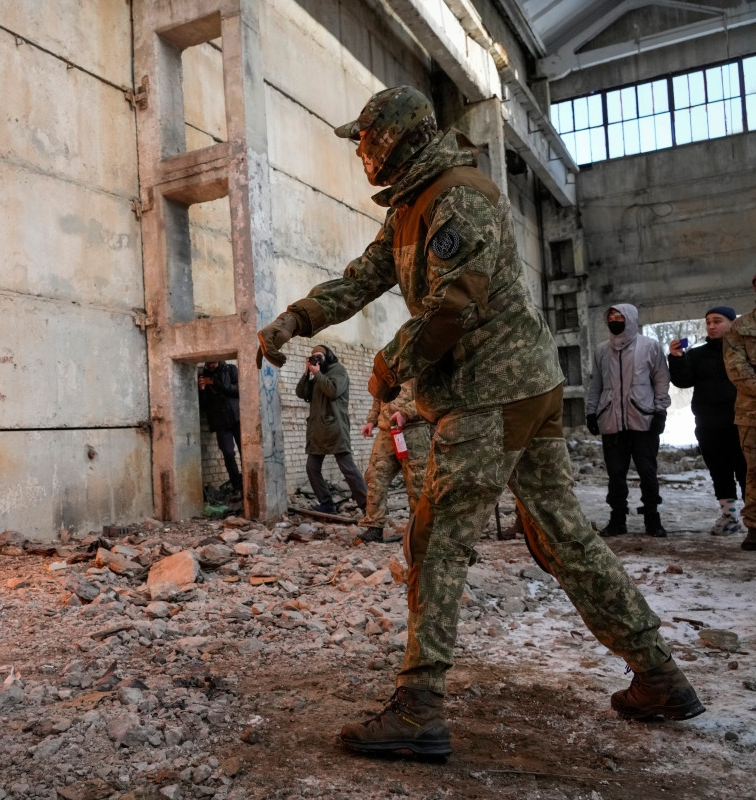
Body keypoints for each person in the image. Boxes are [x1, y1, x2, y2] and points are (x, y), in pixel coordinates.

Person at [256, 85, 702, 758]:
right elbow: (366, 275)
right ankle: (660, 677)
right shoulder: (414, 203)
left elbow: (453, 306)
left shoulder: (458, 196)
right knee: (563, 540)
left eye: (363, 140)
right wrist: (298, 317)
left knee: (436, 541)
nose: (358, 152)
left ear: (392, 141)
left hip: (491, 393)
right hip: (519, 388)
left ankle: (417, 712)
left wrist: (387, 364)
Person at [584, 304, 672, 537]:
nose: (614, 319)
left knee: (647, 471)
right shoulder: (602, 350)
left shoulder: (650, 346)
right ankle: (617, 518)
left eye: (619, 316)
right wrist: (592, 412)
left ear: (630, 319)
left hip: (643, 419)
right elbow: (597, 384)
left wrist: (660, 411)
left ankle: (652, 517)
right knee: (615, 473)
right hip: (611, 420)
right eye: (611, 316)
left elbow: (661, 380)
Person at [669, 306, 745, 537]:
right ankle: (730, 516)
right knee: (719, 472)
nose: (712, 326)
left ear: (732, 323)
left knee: (747, 471)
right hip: (709, 425)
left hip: (741, 422)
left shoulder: (743, 351)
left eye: (718, 321)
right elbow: (683, 382)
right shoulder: (696, 354)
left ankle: (753, 518)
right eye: (708, 322)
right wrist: (677, 359)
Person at [294, 344, 368, 515]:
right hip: (317, 430)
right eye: (314, 357)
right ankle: (327, 503)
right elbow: (301, 393)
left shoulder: (338, 371)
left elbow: (333, 391)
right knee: (312, 468)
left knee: (348, 469)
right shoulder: (317, 375)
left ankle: (368, 506)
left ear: (329, 356)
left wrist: (317, 373)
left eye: (320, 356)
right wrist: (307, 373)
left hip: (335, 428)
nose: (317, 359)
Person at [358, 380, 430, 543]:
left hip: (414, 431)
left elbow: (430, 397)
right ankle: (374, 526)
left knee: (417, 482)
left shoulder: (421, 362)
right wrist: (372, 420)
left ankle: (418, 531)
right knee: (375, 477)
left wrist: (406, 412)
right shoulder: (385, 367)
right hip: (386, 432)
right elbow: (378, 396)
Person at [723, 276, 756, 551]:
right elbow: (738, 371)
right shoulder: (740, 327)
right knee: (754, 472)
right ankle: (755, 527)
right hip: (752, 414)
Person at [198, 360, 242, 496]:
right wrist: (202, 390)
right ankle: (237, 486)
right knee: (228, 453)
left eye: (213, 362)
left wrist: (218, 383)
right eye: (208, 363)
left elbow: (239, 390)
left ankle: (248, 483)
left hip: (236, 418)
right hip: (220, 421)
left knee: (245, 452)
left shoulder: (230, 369)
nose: (211, 365)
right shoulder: (203, 375)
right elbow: (203, 404)